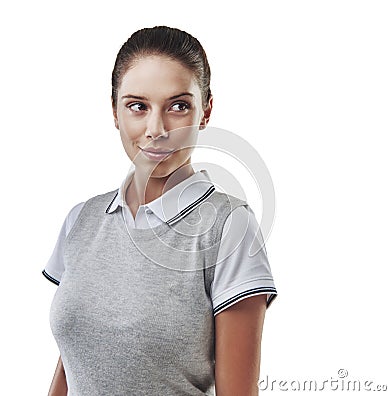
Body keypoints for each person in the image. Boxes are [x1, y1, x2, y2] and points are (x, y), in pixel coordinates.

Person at [42, 26, 278, 396]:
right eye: (138, 106)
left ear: (206, 111)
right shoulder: (81, 219)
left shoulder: (229, 227)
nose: (156, 129)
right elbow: (74, 359)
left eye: (178, 106)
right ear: (115, 112)